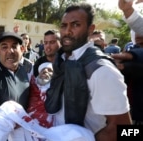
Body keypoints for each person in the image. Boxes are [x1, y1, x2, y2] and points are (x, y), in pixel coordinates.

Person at [44, 3, 132, 141]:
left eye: (75, 25)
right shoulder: (61, 60)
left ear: (90, 30)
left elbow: (127, 130)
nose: (67, 31)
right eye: (63, 26)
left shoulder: (102, 70)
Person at [111, 31, 143, 125]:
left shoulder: (133, 53)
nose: (137, 34)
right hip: (132, 105)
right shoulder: (132, 49)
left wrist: (125, 65)